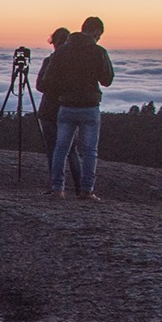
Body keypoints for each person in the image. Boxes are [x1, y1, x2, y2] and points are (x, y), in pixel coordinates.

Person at [40, 16, 115, 201]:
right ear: (96, 32)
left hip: (66, 105)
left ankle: (58, 189)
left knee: (61, 148)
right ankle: (86, 190)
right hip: (89, 106)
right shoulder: (99, 52)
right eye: (99, 36)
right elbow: (107, 80)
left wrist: (66, 86)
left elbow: (48, 80)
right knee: (89, 150)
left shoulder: (62, 52)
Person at [35, 27, 82, 194]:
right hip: (69, 108)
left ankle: (56, 186)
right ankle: (80, 188)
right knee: (71, 151)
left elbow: (40, 85)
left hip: (48, 110)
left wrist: (52, 89)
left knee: (52, 150)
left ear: (53, 42)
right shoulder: (75, 65)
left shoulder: (49, 61)